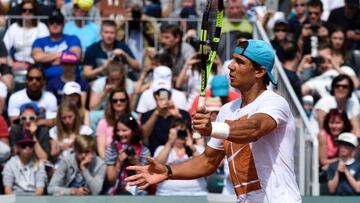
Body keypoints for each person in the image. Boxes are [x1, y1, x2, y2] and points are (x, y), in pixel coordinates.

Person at [126, 39, 301, 203]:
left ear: (260, 72)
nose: (231, 66)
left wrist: (212, 128)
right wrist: (168, 171)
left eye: (240, 62)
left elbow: (254, 129)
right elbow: (208, 161)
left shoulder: (274, 101)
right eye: (233, 60)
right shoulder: (227, 111)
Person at [154, 117, 207, 195]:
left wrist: (192, 148)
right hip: (167, 194)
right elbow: (157, 166)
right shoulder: (162, 149)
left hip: (196, 193)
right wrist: (169, 142)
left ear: (189, 133)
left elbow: (206, 166)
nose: (181, 135)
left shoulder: (198, 149)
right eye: (178, 132)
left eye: (184, 131)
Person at [105, 114, 150, 195]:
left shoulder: (144, 151)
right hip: (116, 194)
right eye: (118, 130)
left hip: (138, 194)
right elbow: (111, 180)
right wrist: (118, 163)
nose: (120, 134)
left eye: (124, 130)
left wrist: (136, 164)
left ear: (133, 131)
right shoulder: (112, 149)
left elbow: (143, 183)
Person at [32, 9, 82, 80]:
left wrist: (47, 60)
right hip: (46, 81)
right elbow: (37, 57)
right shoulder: (39, 41)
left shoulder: (73, 39)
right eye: (52, 22)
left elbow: (75, 56)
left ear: (63, 24)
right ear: (48, 25)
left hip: (70, 80)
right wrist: (64, 55)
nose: (55, 24)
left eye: (58, 22)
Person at [3, 0, 49, 68]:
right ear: (21, 12)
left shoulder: (42, 27)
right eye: (24, 10)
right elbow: (4, 48)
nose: (27, 12)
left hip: (38, 65)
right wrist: (12, 64)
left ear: (35, 12)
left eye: (30, 10)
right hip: (17, 64)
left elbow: (48, 48)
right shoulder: (14, 27)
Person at [49, 101, 93, 167]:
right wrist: (62, 148)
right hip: (60, 166)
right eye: (64, 118)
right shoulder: (54, 131)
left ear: (76, 115)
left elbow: (90, 153)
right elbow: (53, 155)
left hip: (81, 165)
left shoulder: (85, 131)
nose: (67, 121)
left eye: (70, 117)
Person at [96, 88, 131, 158]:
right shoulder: (103, 123)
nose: (119, 103)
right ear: (111, 103)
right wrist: (111, 165)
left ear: (127, 102)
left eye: (122, 100)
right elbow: (101, 151)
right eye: (115, 101)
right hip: (109, 162)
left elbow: (138, 145)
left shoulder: (133, 119)